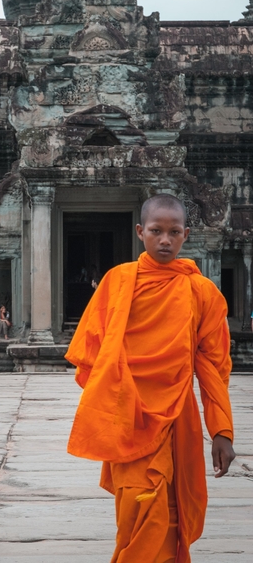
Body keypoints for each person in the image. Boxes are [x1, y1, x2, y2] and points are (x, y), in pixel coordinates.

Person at [65, 194, 235, 563]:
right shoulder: (117, 282)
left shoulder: (201, 292)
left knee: (171, 513)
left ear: (186, 235)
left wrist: (221, 431)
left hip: (178, 419)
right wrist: (117, 394)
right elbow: (90, 354)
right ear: (140, 232)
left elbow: (213, 365)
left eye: (174, 232)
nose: (165, 240)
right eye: (156, 231)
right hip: (128, 417)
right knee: (135, 512)